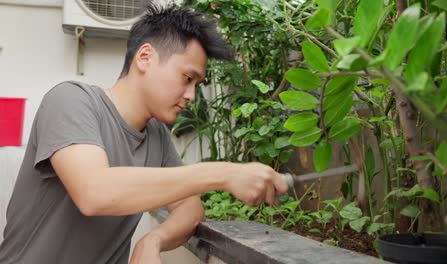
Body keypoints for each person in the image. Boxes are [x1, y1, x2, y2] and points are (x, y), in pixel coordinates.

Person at [0, 4, 288, 264]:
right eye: (187, 78)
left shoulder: (157, 136)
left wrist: (154, 239)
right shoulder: (72, 100)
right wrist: (225, 174)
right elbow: (95, 192)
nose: (191, 95)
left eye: (197, 84)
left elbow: (191, 207)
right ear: (145, 57)